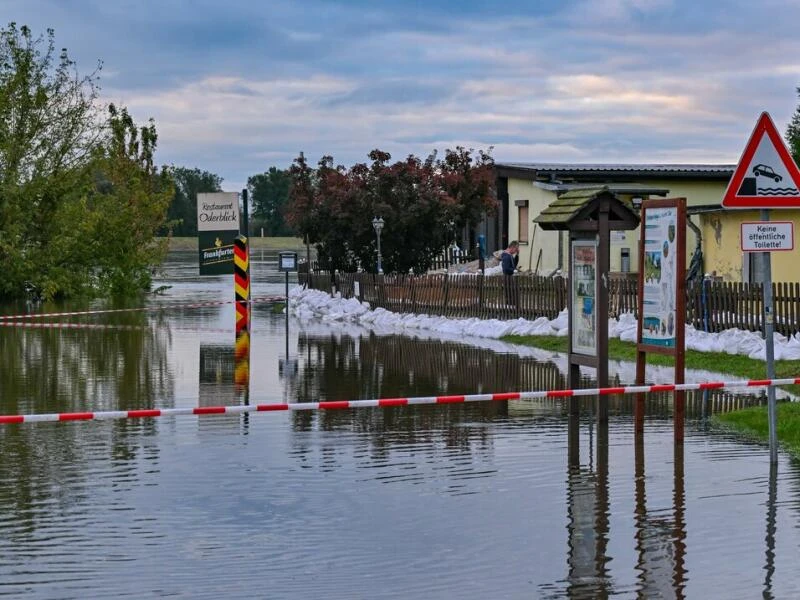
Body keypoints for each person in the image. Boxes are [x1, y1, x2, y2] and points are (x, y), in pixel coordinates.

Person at [501, 240, 520, 307]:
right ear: (512, 247)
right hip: (507, 278)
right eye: (516, 248)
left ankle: (511, 307)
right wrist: (514, 270)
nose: (516, 250)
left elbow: (513, 264)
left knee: (512, 294)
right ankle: (509, 308)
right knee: (509, 294)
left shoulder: (510, 255)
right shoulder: (506, 256)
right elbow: (506, 269)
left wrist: (517, 255)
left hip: (510, 277)